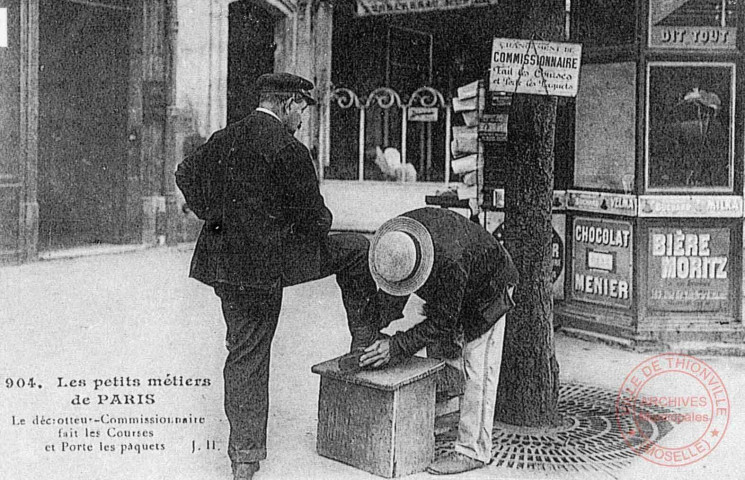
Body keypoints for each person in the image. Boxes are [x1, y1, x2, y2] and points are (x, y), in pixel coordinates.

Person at [175, 72, 381, 480]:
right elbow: (315, 220)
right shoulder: (288, 149)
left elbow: (185, 173)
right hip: (264, 267)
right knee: (356, 249)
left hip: (223, 263)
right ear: (287, 103)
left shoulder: (225, 136)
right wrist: (311, 225)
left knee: (243, 348)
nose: (303, 116)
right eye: (302, 106)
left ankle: (245, 454)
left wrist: (214, 217)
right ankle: (365, 341)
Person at [360, 207, 519, 475]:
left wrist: (395, 346)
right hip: (460, 280)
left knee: (476, 370)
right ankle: (448, 418)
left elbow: (442, 323)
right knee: (442, 354)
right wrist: (373, 331)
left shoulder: (450, 263)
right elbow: (394, 288)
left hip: (490, 292)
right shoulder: (400, 238)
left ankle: (474, 450)